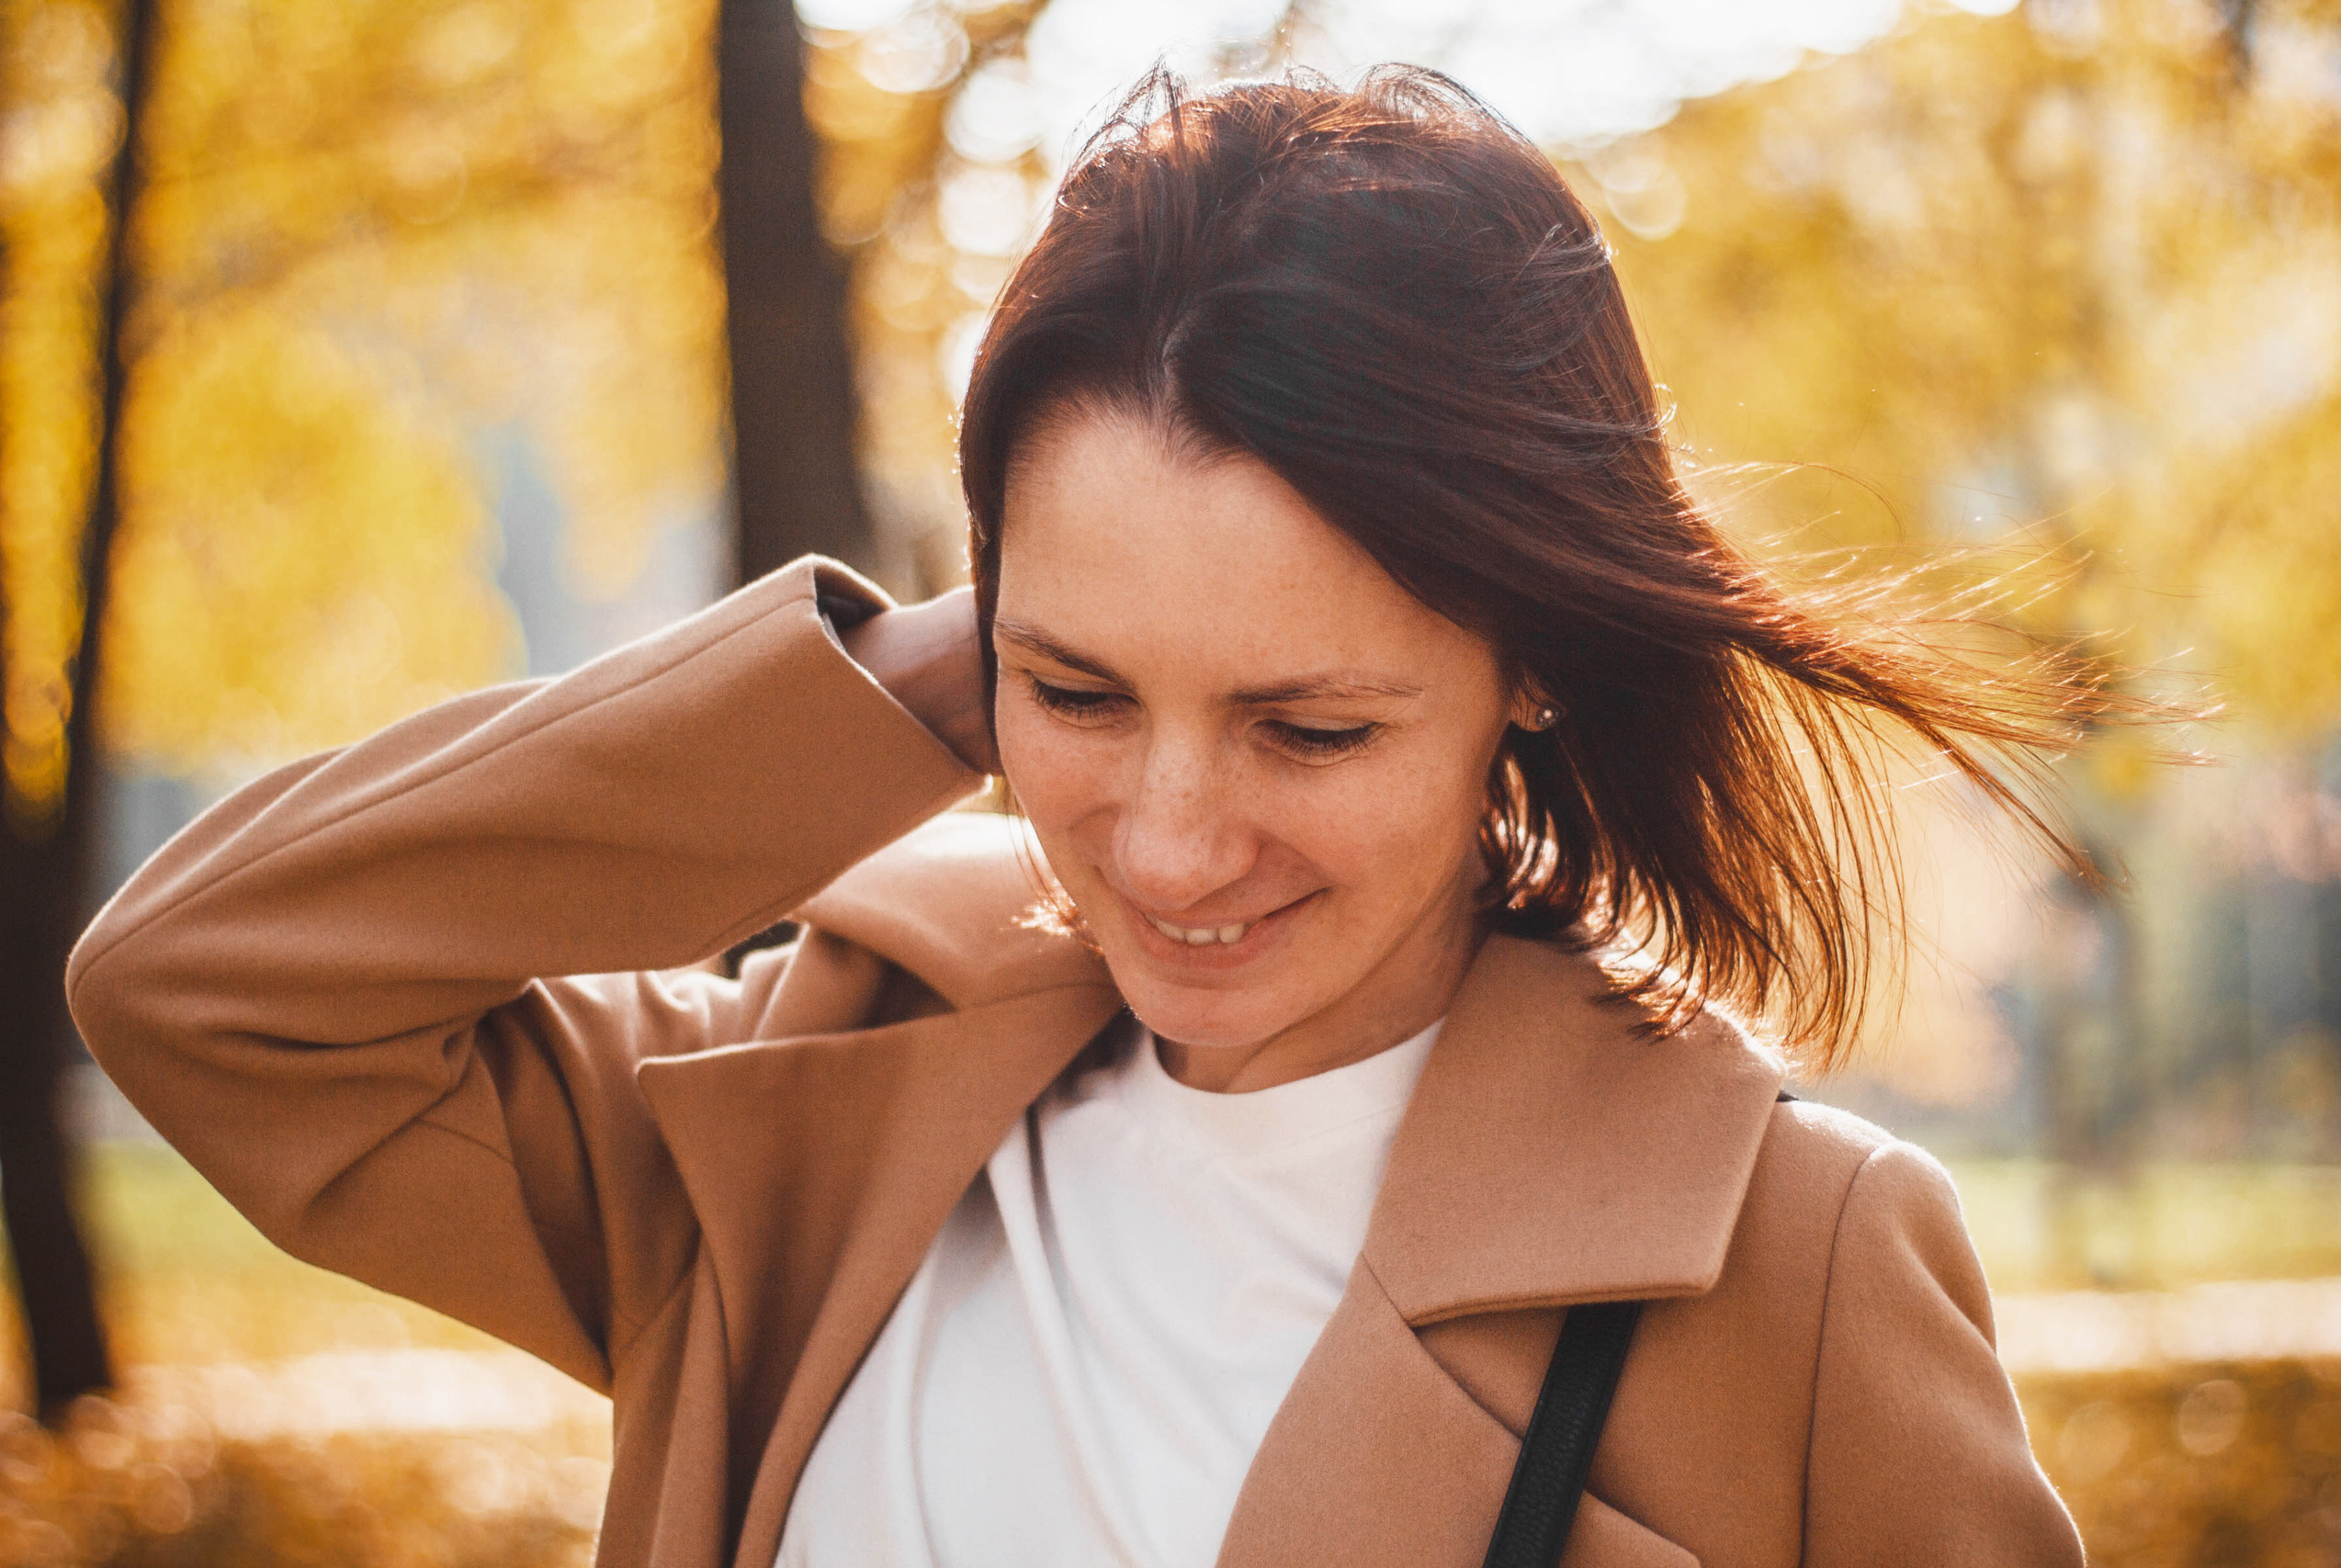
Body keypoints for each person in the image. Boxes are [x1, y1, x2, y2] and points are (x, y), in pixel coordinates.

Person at [66, 67, 2093, 1568]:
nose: (1168, 843)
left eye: (1305, 727)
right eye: (1077, 695)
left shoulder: (1792, 1268)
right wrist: (906, 678)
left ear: (1531, 661)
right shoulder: (805, 1104)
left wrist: (1101, 646)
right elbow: (207, 987)